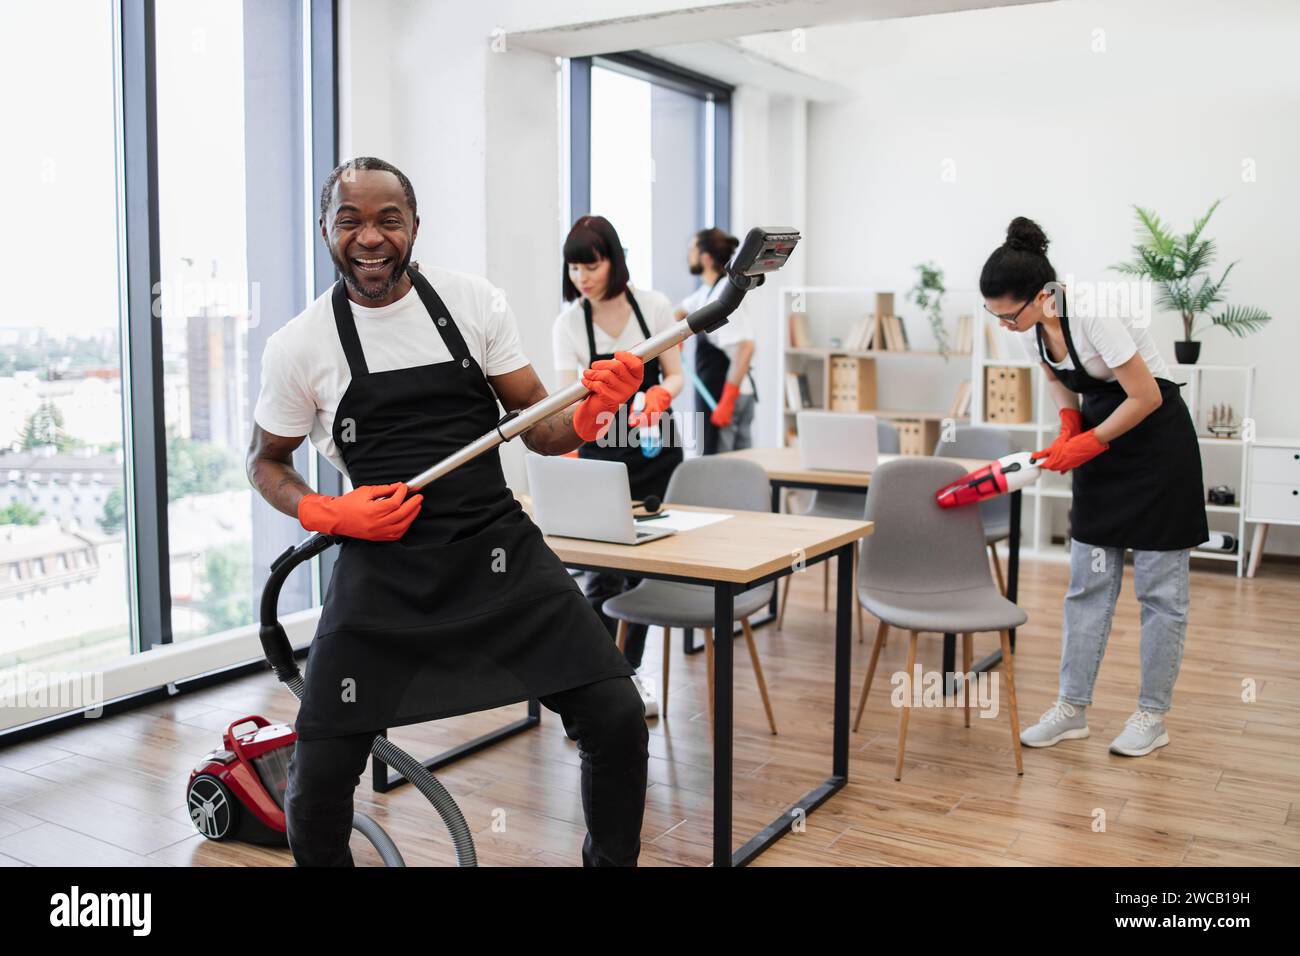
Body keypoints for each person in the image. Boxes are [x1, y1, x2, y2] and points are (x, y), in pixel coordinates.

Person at [248, 157, 649, 866]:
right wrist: (329, 514)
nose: (369, 237)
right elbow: (265, 462)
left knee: (616, 716)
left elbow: (543, 429)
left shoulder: (471, 303)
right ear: (325, 229)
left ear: (413, 227)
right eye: (350, 220)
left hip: (498, 552)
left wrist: (596, 410)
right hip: (383, 571)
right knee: (316, 786)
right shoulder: (299, 344)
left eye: (387, 219)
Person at [979, 216, 1208, 757]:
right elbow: (1062, 386)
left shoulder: (1094, 316)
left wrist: (1087, 444)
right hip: (1105, 453)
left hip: (1157, 454)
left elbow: (1147, 397)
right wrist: (1067, 428)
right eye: (996, 318)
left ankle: (1151, 716)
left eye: (1010, 315)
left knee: (1160, 596)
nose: (1006, 326)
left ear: (1042, 295)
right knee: (1086, 587)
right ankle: (1072, 708)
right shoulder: (1032, 330)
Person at [551, 215, 684, 718]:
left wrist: (658, 393)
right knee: (604, 575)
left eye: (592, 264)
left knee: (642, 574)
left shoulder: (653, 307)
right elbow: (568, 404)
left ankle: (628, 680)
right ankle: (597, 688)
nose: (582, 277)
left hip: (656, 451)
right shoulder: (569, 324)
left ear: (614, 261)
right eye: (574, 267)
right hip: (602, 456)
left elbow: (676, 376)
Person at [675, 228, 758, 454]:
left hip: (729, 394)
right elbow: (681, 312)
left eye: (692, 249)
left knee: (725, 469)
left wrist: (727, 402)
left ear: (705, 257)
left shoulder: (726, 293)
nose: (688, 255)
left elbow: (745, 348)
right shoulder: (708, 292)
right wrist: (675, 338)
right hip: (718, 390)